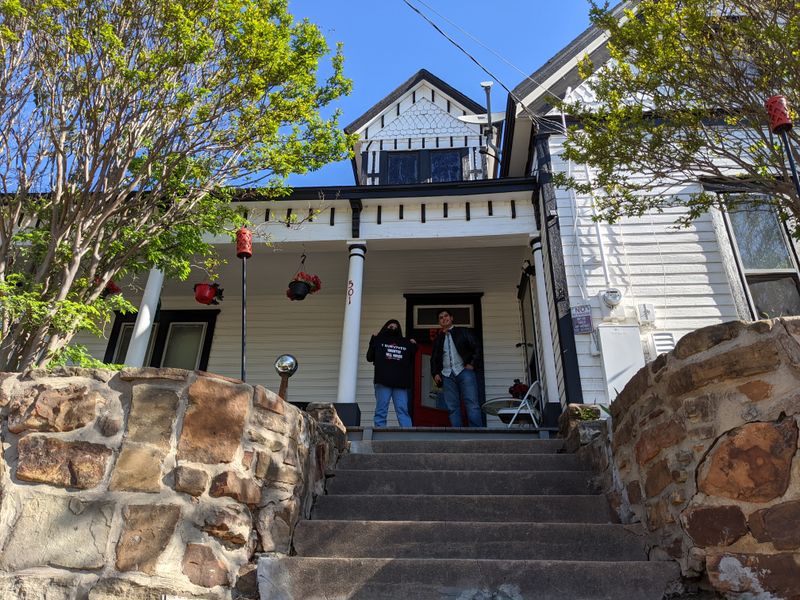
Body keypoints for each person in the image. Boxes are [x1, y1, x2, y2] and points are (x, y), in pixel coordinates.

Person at [431, 309, 484, 428]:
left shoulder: (463, 331)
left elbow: (477, 347)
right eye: (441, 317)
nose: (444, 318)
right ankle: (457, 434)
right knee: (452, 407)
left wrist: (472, 363)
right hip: (447, 375)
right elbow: (434, 358)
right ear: (439, 322)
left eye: (446, 316)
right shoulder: (438, 339)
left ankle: (477, 434)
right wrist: (435, 373)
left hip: (464, 372)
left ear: (451, 317)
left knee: (472, 403)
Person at [366, 319, 417, 427]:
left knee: (402, 410)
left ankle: (408, 437)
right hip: (383, 380)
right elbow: (369, 358)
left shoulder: (405, 343)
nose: (393, 329)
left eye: (395, 328)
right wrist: (373, 341)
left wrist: (413, 346)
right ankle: (379, 436)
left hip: (400, 383)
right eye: (390, 327)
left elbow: (410, 360)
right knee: (381, 410)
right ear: (385, 328)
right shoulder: (379, 340)